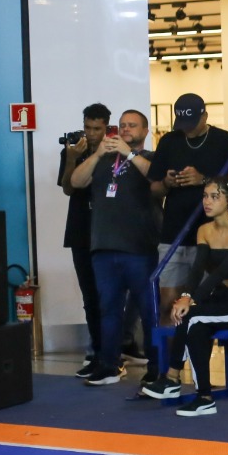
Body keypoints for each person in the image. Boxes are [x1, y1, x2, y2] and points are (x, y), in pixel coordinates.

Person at [141, 174, 228, 416]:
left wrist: (190, 300)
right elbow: (198, 270)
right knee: (194, 325)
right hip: (220, 298)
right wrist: (186, 295)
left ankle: (172, 377)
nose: (207, 201)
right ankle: (204, 397)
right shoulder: (204, 230)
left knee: (191, 315)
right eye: (205, 196)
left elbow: (222, 271)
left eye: (215, 196)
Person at [68, 108, 157, 387]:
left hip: (139, 248)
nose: (126, 129)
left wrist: (129, 154)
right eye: (122, 125)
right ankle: (108, 365)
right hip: (103, 247)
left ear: (145, 131)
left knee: (149, 310)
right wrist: (96, 154)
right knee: (107, 308)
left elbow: (158, 180)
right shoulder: (104, 159)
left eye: (132, 125)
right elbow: (75, 181)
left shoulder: (151, 157)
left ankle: (157, 368)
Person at [150, 92, 228, 312]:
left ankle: (198, 336)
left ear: (205, 116)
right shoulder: (169, 141)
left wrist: (204, 180)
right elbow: (153, 188)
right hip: (174, 234)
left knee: (206, 301)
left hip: (212, 234)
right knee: (168, 303)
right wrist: (167, 182)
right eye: (182, 123)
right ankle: (173, 337)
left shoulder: (224, 141)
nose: (187, 129)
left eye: (191, 123)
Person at [59, 103, 112, 377]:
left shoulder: (113, 152)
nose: (91, 134)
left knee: (109, 296)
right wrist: (72, 158)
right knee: (90, 297)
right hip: (80, 231)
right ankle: (98, 354)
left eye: (97, 129)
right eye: (88, 128)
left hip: (107, 232)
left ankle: (112, 354)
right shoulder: (72, 149)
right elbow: (68, 188)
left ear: (106, 128)